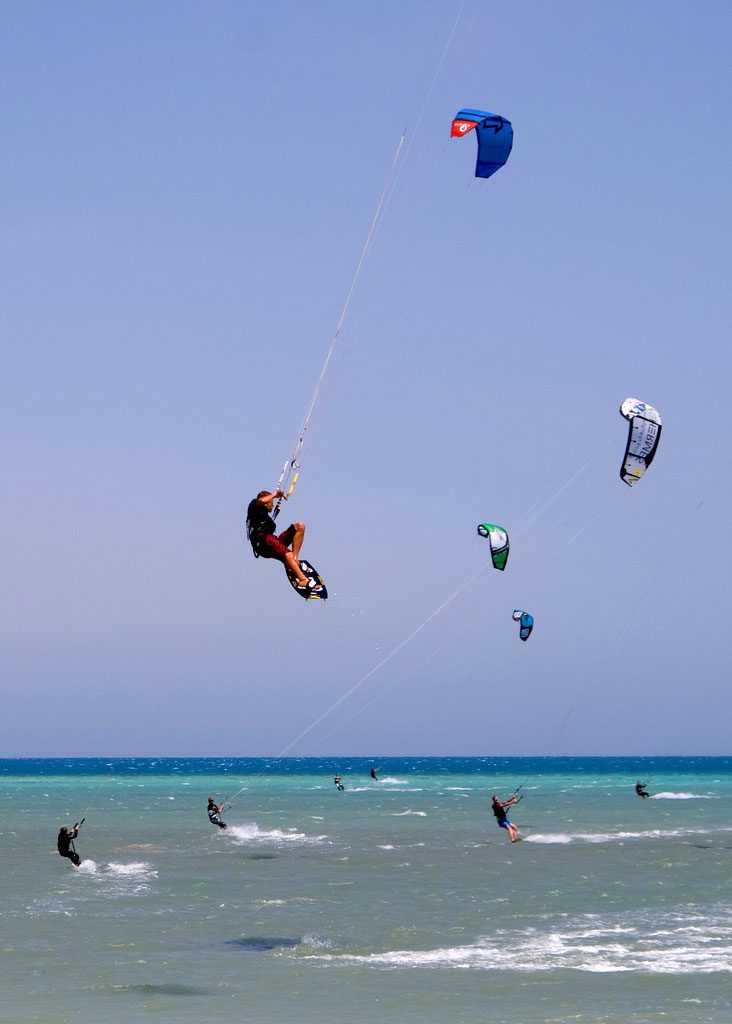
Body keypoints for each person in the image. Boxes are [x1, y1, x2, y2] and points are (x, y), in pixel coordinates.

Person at [246, 489, 322, 593]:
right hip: (263, 543)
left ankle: (294, 561)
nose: (273, 506)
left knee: (300, 526)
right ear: (267, 502)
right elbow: (261, 501)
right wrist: (275, 495)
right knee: (288, 554)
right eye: (271, 503)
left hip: (271, 541)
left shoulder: (265, 516)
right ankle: (303, 579)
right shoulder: (254, 506)